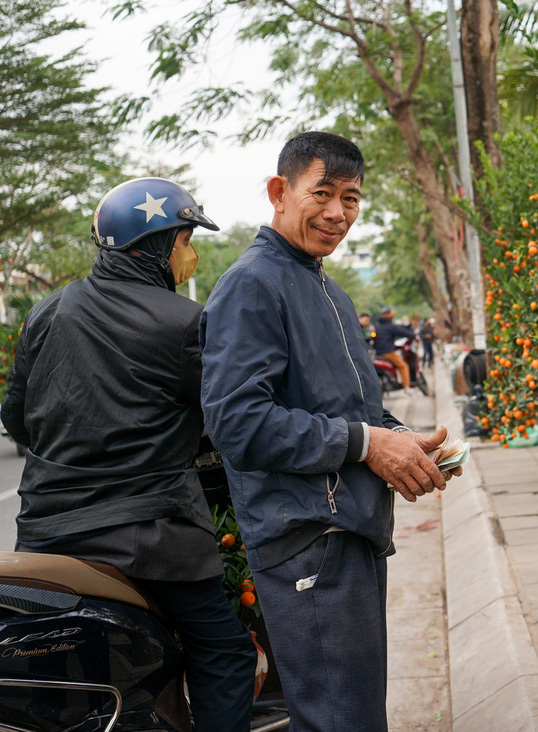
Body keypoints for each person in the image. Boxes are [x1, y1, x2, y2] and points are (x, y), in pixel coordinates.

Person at [199, 131, 461, 732]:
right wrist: (372, 444)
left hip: (350, 534)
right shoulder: (252, 284)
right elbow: (238, 423)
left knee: (355, 714)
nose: (337, 212)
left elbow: (352, 409)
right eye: (322, 192)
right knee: (338, 720)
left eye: (351, 197)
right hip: (306, 539)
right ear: (279, 192)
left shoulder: (329, 291)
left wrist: (407, 442)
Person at [0, 178, 257, 732]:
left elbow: (16, 418)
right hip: (150, 540)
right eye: (187, 238)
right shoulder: (185, 323)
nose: (191, 253)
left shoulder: (47, 312)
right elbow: (225, 423)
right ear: (160, 242)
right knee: (226, 651)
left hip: (44, 531)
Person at [373, 305, 418, 394]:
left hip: (378, 352)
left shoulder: (378, 326)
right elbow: (402, 332)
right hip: (387, 352)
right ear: (388, 315)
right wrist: (414, 335)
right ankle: (406, 387)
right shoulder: (390, 326)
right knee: (403, 366)